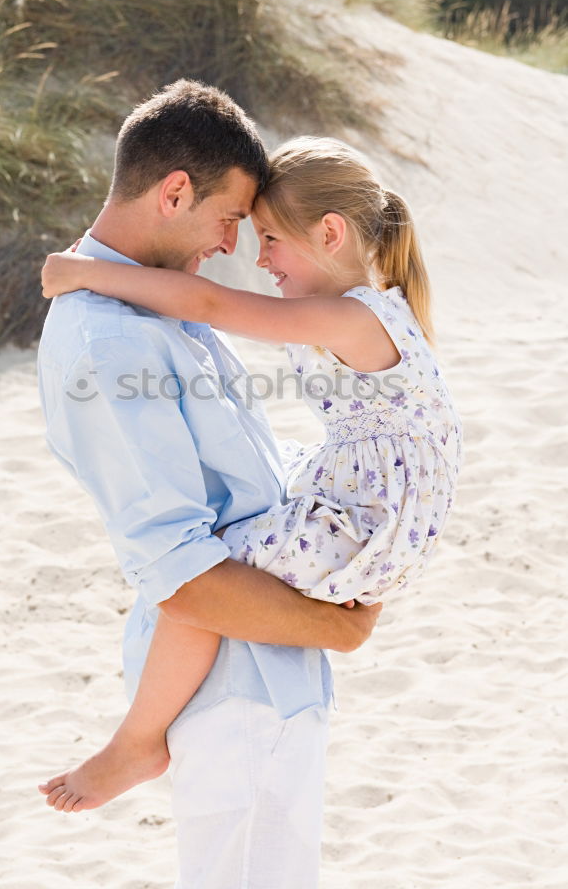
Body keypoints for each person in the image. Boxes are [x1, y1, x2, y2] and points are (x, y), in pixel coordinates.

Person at [39, 135, 462, 825]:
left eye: (268, 238)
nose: (257, 258)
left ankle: (138, 742)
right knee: (243, 519)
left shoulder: (348, 315)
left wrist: (89, 275)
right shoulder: (374, 306)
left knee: (204, 573)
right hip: (372, 499)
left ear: (330, 233)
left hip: (368, 514)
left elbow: (207, 305)